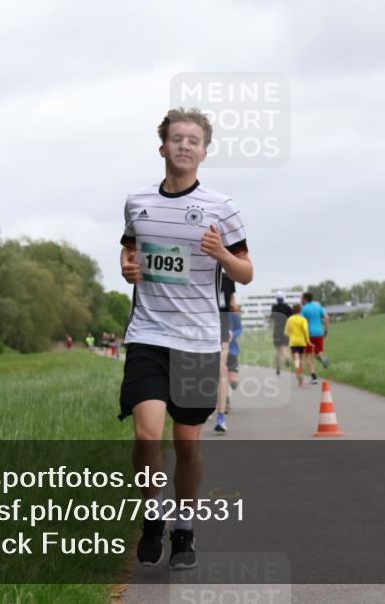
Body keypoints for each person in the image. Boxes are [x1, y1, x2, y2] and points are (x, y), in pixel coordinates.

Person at [119, 107, 252, 570]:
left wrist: (221, 254)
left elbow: (247, 271)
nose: (184, 146)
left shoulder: (221, 207)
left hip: (196, 339)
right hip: (149, 335)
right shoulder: (138, 202)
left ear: (204, 151)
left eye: (193, 140)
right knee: (146, 435)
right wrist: (126, 266)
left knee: (188, 445)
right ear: (163, 147)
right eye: (176, 138)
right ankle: (153, 516)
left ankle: (185, 529)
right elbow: (129, 246)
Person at [215, 274, 237, 433]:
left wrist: (233, 305)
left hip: (221, 329)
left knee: (221, 370)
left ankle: (220, 417)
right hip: (199, 328)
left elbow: (233, 303)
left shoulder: (229, 279)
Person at [300, 292, 330, 383]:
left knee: (309, 356)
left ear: (305, 299)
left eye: (301, 298)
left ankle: (314, 377)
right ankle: (322, 359)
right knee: (317, 352)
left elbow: (301, 322)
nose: (301, 300)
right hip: (319, 333)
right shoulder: (318, 306)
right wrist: (326, 330)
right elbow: (326, 317)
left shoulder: (304, 308)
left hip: (309, 334)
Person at [284, 303, 310, 387]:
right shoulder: (303, 319)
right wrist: (308, 340)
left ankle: (298, 372)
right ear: (300, 310)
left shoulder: (289, 319)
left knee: (296, 359)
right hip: (302, 342)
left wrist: (291, 335)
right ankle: (300, 377)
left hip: (293, 342)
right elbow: (306, 330)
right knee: (301, 359)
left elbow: (286, 332)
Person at [270, 291, 293, 375]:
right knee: (285, 348)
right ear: (284, 298)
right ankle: (287, 357)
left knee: (278, 351)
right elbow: (291, 318)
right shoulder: (288, 307)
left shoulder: (274, 307)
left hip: (277, 330)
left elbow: (272, 318)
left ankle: (278, 369)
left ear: (276, 299)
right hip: (286, 330)